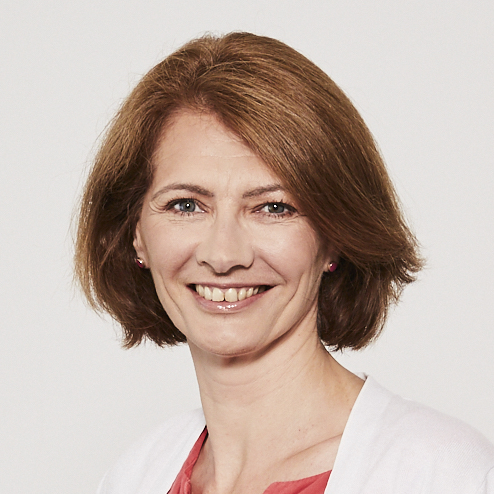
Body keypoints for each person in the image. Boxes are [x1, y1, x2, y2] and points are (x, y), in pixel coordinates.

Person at [75, 32, 494, 493]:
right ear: (136, 234)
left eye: (274, 208)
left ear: (333, 236)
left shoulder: (443, 474)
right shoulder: (133, 477)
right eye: (186, 205)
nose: (224, 256)